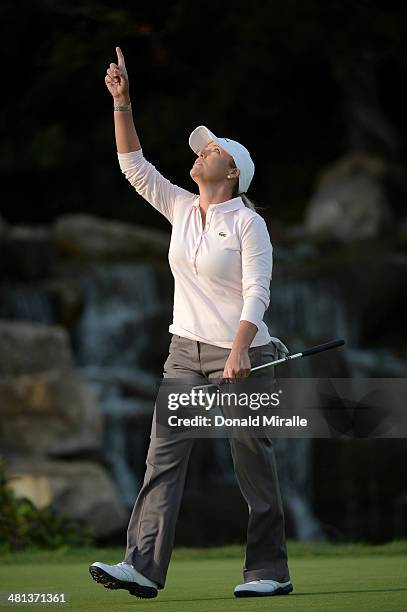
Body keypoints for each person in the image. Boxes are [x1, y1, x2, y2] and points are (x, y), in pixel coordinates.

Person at [89, 46, 293, 600]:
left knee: (252, 465)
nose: (199, 154)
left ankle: (269, 571)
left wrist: (240, 350)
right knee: (163, 459)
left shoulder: (249, 224)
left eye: (210, 150)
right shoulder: (181, 207)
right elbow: (133, 166)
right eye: (200, 149)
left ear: (232, 171)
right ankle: (143, 568)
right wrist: (122, 103)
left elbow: (258, 292)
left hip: (243, 357)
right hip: (184, 354)